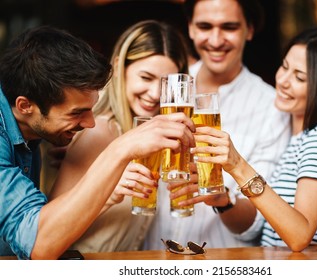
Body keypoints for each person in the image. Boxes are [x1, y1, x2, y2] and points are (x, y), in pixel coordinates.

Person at [0, 25, 195, 259]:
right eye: (77, 113)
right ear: (25, 106)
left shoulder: (30, 134)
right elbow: (40, 243)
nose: (90, 123)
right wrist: (119, 150)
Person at [191, 27, 317, 250]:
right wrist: (224, 201)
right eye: (284, 67)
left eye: (300, 77)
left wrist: (237, 165)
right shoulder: (299, 138)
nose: (283, 80)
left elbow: (299, 235)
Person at [143, 0, 291, 249]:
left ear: (250, 29)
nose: (215, 39)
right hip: (152, 256)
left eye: (229, 27)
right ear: (190, 28)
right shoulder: (162, 83)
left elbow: (259, 223)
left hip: (221, 261)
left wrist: (224, 200)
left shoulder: (271, 107)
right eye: (204, 26)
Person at [48, 20, 190, 253]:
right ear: (119, 67)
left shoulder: (143, 135)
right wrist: (109, 194)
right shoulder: (100, 130)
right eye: (146, 77)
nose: (155, 94)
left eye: (165, 83)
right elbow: (47, 231)